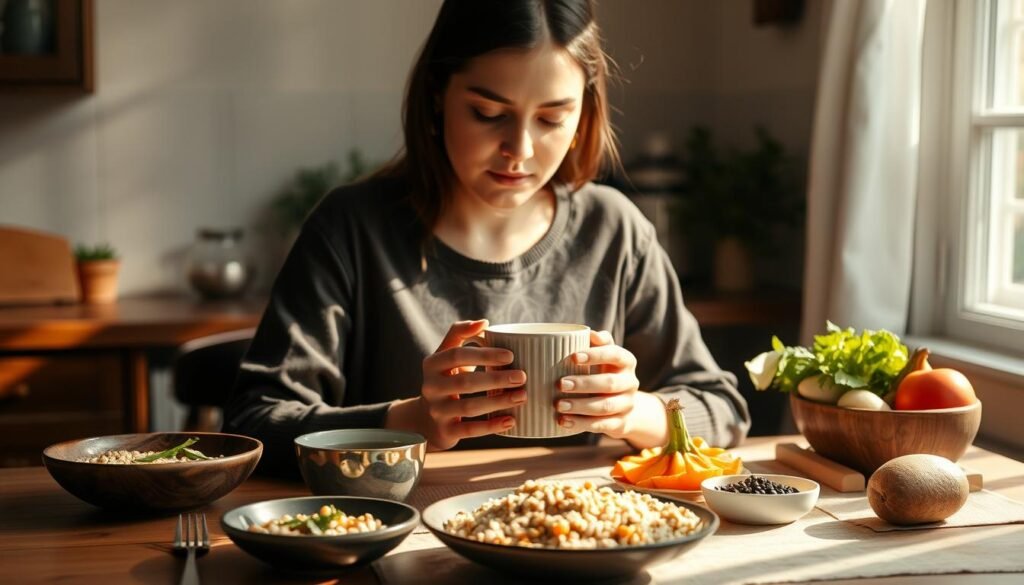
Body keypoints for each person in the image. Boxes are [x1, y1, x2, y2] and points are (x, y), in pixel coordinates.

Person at [223, 0, 751, 476]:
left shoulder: (614, 230)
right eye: (488, 114)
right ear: (436, 97)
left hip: (578, 539)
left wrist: (635, 412)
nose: (519, 149)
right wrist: (414, 421)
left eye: (552, 117)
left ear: (583, 112)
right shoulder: (352, 228)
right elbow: (254, 423)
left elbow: (723, 408)